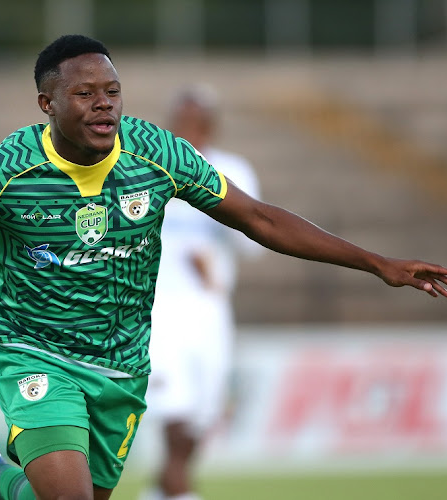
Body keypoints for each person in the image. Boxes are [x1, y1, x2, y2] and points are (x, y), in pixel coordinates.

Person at [0, 35, 447, 500]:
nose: (105, 105)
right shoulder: (2, 170)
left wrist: (377, 264)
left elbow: (259, 218)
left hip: (122, 364)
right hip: (35, 353)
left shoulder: (156, 153)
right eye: (85, 94)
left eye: (113, 91)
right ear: (47, 104)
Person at [141, 85, 265, 500]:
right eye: (181, 121)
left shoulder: (233, 170)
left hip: (210, 310)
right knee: (173, 412)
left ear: (211, 124)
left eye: (196, 121)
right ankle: (181, 493)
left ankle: (162, 493)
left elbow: (255, 239)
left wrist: (214, 238)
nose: (187, 129)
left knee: (202, 417)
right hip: (160, 310)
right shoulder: (148, 171)